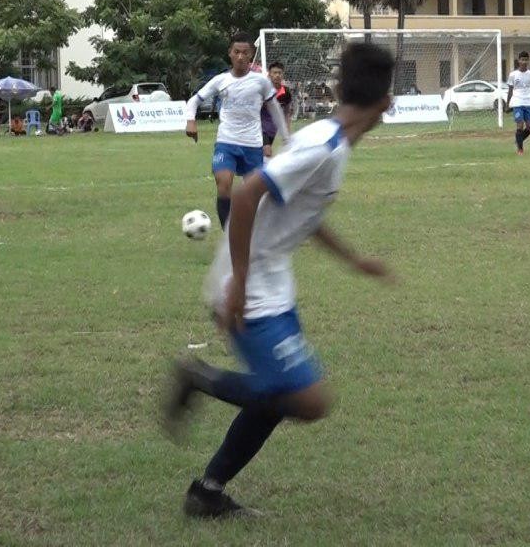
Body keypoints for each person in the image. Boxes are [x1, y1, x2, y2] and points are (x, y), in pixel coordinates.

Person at [162, 42, 398, 519]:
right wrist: (239, 282)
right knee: (307, 400)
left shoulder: (334, 144)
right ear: (386, 103)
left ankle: (207, 493)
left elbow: (305, 214)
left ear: (339, 88)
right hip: (249, 286)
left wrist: (353, 261)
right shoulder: (323, 146)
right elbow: (245, 196)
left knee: (277, 397)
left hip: (272, 284)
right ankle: (199, 377)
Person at [184, 33, 290, 229]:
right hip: (226, 142)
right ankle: (229, 234)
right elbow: (194, 101)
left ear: (251, 55)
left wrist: (286, 137)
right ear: (230, 53)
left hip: (252, 145)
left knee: (253, 195)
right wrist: (191, 120)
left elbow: (275, 109)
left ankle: (258, 228)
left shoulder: (261, 82)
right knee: (223, 184)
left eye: (245, 53)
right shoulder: (220, 80)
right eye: (236, 52)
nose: (240, 56)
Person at [505, 51, 530, 156]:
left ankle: (518, 140)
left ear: (528, 61)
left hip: (529, 102)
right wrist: (507, 105)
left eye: (526, 60)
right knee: (520, 125)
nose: (524, 62)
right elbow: (510, 90)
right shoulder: (513, 75)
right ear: (519, 61)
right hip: (517, 102)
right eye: (522, 60)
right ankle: (520, 149)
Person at [260, 62, 293, 159]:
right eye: (274, 73)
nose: (277, 75)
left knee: (263, 156)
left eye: (279, 73)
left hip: (272, 130)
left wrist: (287, 133)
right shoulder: (263, 90)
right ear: (269, 74)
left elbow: (287, 113)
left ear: (283, 74)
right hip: (260, 128)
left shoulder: (286, 93)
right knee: (267, 152)